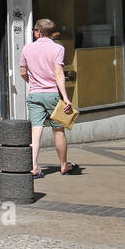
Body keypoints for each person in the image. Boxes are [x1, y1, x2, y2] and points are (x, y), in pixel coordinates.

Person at [19, 18, 79, 178]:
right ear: (51, 33)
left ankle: (33, 167)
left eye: (34, 31)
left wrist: (34, 83)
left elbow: (23, 72)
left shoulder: (27, 48)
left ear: (38, 32)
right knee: (58, 131)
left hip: (34, 94)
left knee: (35, 131)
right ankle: (64, 165)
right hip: (52, 94)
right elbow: (59, 73)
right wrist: (65, 98)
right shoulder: (58, 49)